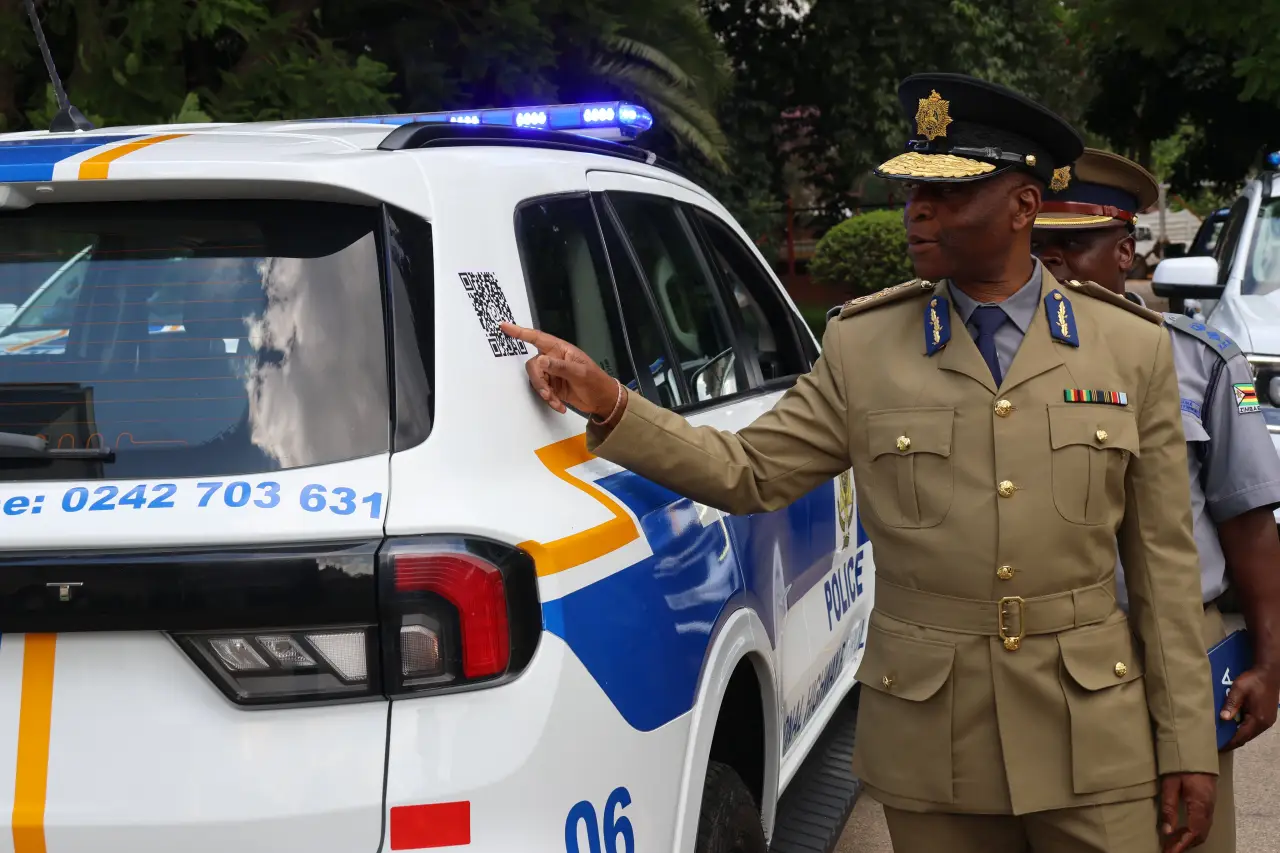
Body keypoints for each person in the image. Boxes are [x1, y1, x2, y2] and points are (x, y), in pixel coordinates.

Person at [502, 73, 1219, 853]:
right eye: (913, 188)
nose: (917, 208)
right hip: (937, 738)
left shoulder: (1130, 348)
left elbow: (1163, 569)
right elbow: (749, 470)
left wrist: (1187, 743)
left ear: (1021, 206)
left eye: (949, 193)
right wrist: (611, 402)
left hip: (1095, 736)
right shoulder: (864, 344)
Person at [1033, 148, 1280, 853]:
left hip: (1166, 643)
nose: (1052, 264)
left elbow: (1249, 519)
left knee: (1183, 832)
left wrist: (1270, 658)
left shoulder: (1200, 360)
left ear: (1124, 251)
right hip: (1041, 645)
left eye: (1072, 244)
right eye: (1037, 246)